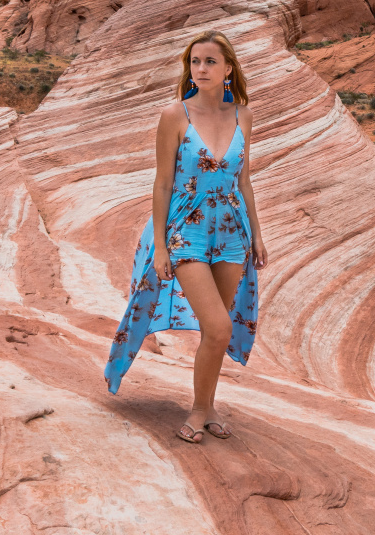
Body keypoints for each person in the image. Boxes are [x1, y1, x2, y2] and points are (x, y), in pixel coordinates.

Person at [104, 30, 268, 443]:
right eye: (195, 62)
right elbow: (162, 184)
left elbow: (244, 180)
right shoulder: (175, 115)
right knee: (217, 326)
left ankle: (207, 406)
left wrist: (258, 235)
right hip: (186, 229)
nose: (201, 69)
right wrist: (160, 245)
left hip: (232, 231)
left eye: (210, 61)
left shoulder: (243, 115)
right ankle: (198, 410)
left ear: (228, 69)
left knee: (219, 329)